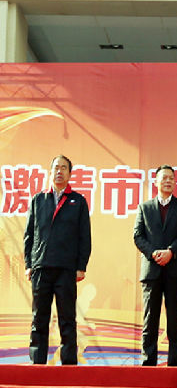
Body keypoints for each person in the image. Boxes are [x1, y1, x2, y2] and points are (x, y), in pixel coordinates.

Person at [24, 154, 92, 365]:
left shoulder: (78, 201)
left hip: (66, 268)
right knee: (39, 318)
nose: (59, 171)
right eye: (56, 167)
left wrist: (81, 266)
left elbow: (85, 237)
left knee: (67, 319)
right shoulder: (38, 200)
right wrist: (29, 264)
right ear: (50, 172)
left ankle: (69, 364)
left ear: (70, 174)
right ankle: (37, 364)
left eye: (64, 168)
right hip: (41, 267)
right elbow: (29, 235)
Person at [133, 165, 177, 366]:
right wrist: (153, 253)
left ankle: (175, 364)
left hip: (175, 269)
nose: (168, 181)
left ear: (175, 182)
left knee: (175, 319)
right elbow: (138, 236)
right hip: (152, 270)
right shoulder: (145, 208)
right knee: (150, 318)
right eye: (164, 178)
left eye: (171, 178)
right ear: (156, 182)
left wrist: (171, 252)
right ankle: (148, 363)